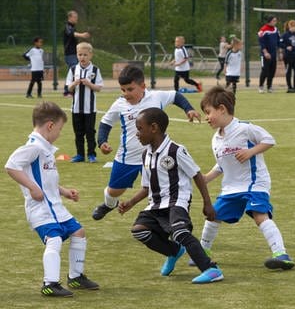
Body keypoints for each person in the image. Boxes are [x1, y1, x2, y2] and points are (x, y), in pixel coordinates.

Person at [189, 85, 295, 271]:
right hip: (231, 188)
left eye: (208, 112)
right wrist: (206, 178)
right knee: (213, 216)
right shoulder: (216, 139)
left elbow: (269, 140)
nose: (206, 117)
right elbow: (222, 164)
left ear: (222, 109)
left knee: (259, 215)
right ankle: (202, 252)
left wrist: (251, 151)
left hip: (254, 184)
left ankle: (281, 254)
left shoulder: (245, 128)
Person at [118, 107, 224, 284]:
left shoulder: (176, 150)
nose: (137, 134)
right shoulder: (146, 155)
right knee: (139, 231)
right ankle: (173, 251)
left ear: (154, 128)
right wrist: (130, 202)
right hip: (156, 205)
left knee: (180, 232)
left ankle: (211, 269)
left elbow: (196, 175)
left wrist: (207, 203)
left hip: (177, 202)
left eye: (140, 129)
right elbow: (146, 187)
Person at [4, 101, 99, 297]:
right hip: (41, 209)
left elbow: (46, 180)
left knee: (79, 232)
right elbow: (11, 165)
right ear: (50, 125)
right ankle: (50, 283)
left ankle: (76, 277)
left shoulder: (45, 149)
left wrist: (64, 191)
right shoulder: (34, 147)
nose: (60, 133)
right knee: (54, 240)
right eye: (60, 128)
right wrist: (32, 188)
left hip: (56, 207)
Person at [92, 65, 201, 221]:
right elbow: (106, 123)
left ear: (143, 86)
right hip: (127, 157)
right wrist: (102, 142)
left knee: (156, 190)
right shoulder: (119, 104)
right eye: (123, 90)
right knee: (114, 191)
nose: (126, 94)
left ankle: (160, 219)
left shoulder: (156, 97)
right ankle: (109, 205)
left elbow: (176, 95)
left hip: (153, 156)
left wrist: (188, 109)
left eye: (130, 89)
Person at [65, 42, 103, 163]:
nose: (82, 57)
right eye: (80, 54)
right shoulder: (73, 69)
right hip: (76, 108)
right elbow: (68, 88)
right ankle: (80, 154)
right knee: (78, 132)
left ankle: (91, 154)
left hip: (90, 109)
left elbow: (99, 88)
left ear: (90, 55)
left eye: (85, 55)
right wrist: (75, 83)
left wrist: (89, 84)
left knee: (90, 132)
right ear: (77, 55)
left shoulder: (95, 70)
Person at [63, 10, 91, 96]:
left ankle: (70, 91)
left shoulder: (73, 27)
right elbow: (71, 33)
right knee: (74, 70)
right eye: (75, 17)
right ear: (70, 17)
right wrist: (82, 35)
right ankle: (67, 91)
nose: (76, 19)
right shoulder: (67, 26)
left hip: (75, 53)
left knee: (74, 70)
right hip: (70, 53)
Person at [258, 15, 280, 93]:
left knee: (272, 71)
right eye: (274, 20)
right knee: (265, 71)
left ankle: (269, 87)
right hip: (265, 55)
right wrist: (265, 52)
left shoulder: (276, 29)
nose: (275, 22)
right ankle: (261, 86)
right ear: (270, 21)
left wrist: (281, 51)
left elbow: (278, 41)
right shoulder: (263, 30)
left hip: (274, 54)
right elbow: (261, 42)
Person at [280, 20, 295, 93]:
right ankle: (289, 87)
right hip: (288, 56)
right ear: (290, 27)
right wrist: (286, 47)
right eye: (294, 27)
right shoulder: (285, 35)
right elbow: (280, 44)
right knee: (288, 72)